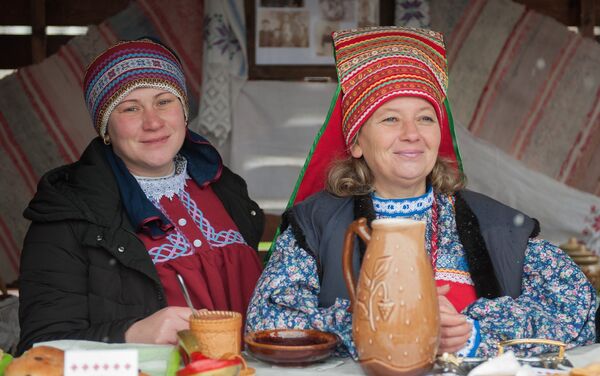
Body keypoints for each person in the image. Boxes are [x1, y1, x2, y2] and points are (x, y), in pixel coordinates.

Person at [246, 26, 597, 358]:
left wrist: (474, 333)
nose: (412, 133)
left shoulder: (496, 223)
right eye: (390, 119)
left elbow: (579, 310)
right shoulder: (317, 225)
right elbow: (268, 320)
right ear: (356, 142)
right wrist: (378, 324)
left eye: (426, 118)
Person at [18, 39, 264, 354]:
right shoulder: (68, 214)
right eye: (130, 108)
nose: (153, 122)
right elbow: (40, 347)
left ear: (184, 110)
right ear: (106, 127)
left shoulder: (224, 186)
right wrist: (131, 333)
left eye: (164, 101)